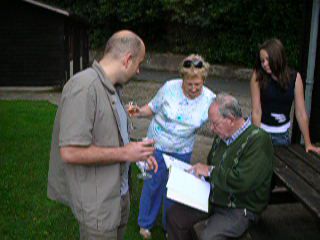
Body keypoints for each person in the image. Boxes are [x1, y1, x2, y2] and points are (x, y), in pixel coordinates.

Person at [47, 30, 158, 240]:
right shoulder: (84, 87)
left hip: (119, 197)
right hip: (99, 206)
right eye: (139, 63)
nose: (138, 71)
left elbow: (113, 138)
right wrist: (125, 153)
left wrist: (137, 153)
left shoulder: (113, 88)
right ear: (127, 60)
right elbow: (70, 152)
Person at [167, 93, 274, 240]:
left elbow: (242, 181)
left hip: (240, 207)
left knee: (209, 237)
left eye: (215, 123)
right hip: (214, 196)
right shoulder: (222, 136)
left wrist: (210, 171)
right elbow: (212, 162)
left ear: (230, 119)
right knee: (174, 216)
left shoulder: (259, 140)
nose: (211, 128)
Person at [131, 54, 216, 239]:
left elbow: (216, 121)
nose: (193, 89)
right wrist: (137, 111)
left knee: (175, 190)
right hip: (158, 144)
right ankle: (145, 224)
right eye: (189, 84)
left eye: (198, 85)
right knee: (153, 184)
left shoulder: (210, 98)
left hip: (183, 150)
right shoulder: (169, 88)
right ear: (182, 79)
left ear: (204, 80)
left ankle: (170, 226)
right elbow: (152, 107)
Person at [250, 38, 320, 154]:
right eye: (262, 61)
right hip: (261, 132)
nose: (264, 64)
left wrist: (308, 143)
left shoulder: (295, 78)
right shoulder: (257, 77)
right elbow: (256, 111)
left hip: (282, 136)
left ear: (278, 57)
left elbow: (301, 113)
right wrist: (257, 140)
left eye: (268, 59)